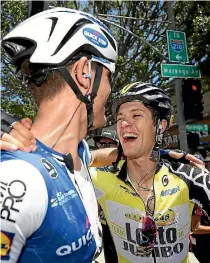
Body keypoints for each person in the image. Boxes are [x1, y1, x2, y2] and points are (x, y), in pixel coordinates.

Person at [0, 7, 118, 263]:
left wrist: (161, 153)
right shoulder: (21, 178)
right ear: (84, 73)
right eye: (110, 77)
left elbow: (94, 157)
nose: (110, 91)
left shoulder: (78, 152)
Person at [91, 82, 210, 263]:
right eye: (119, 118)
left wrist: (154, 152)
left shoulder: (189, 177)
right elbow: (72, 159)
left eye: (136, 115)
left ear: (161, 126)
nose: (124, 124)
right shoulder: (100, 178)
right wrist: (120, 154)